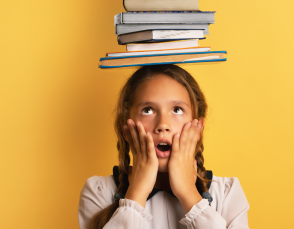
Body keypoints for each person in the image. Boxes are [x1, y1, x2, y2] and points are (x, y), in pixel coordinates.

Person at [78, 65, 249, 229]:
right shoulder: (98, 192)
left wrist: (189, 193)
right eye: (147, 110)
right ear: (126, 130)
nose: (163, 125)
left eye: (177, 109)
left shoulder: (227, 193)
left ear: (198, 128)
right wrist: (137, 193)